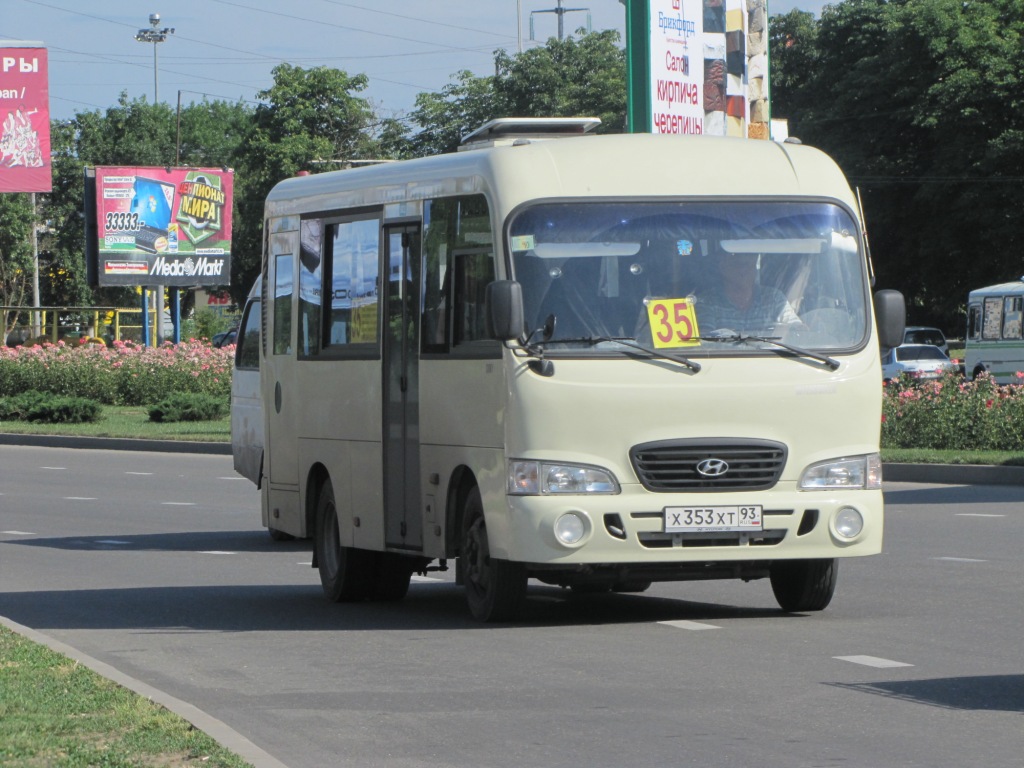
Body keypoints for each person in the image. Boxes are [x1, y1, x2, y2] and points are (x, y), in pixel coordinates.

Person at [695, 252, 801, 334]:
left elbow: (797, 328)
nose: (744, 270)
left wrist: (795, 328)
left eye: (749, 265)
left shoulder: (773, 297)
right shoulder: (707, 301)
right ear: (723, 268)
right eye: (738, 265)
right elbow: (706, 341)